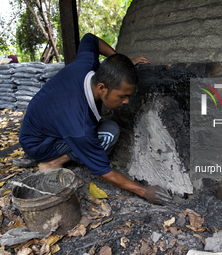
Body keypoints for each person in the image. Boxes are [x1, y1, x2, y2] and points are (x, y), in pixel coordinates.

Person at [17, 33, 172, 205]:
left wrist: (121, 64)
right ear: (102, 88)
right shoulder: (79, 126)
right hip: (38, 144)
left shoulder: (88, 66)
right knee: (109, 133)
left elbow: (89, 39)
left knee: (96, 130)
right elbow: (104, 171)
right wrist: (144, 191)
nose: (126, 101)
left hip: (41, 125)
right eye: (122, 96)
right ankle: (52, 164)